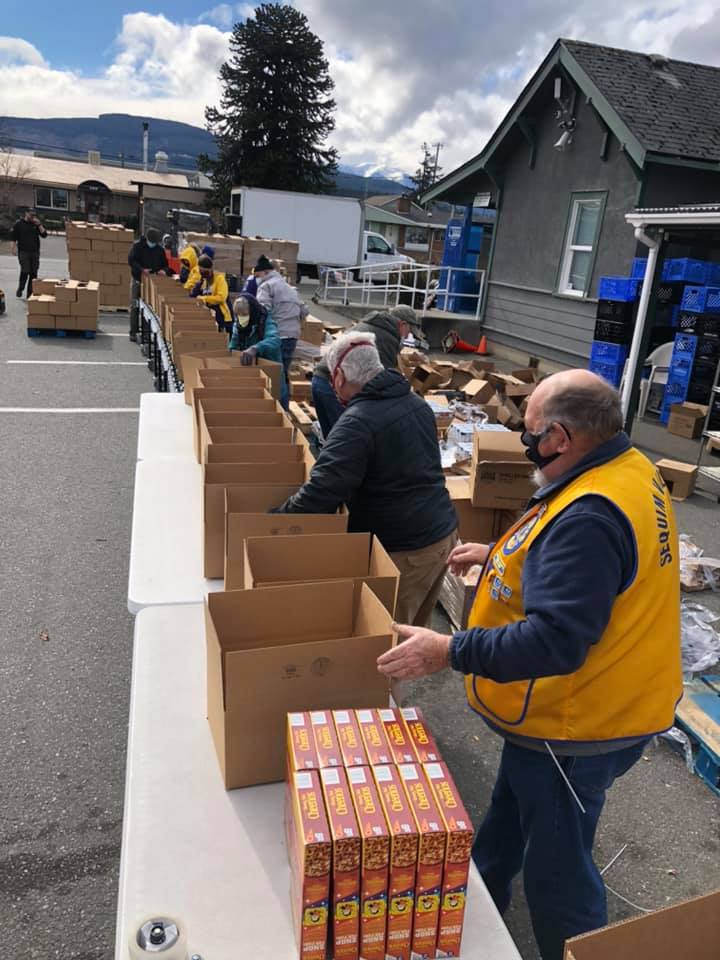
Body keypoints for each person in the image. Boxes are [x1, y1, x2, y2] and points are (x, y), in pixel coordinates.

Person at [377, 369, 682, 960]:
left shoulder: (590, 514)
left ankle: (572, 947)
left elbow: (556, 641)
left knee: (558, 872)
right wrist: (505, 556)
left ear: (562, 439)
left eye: (531, 433)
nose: (525, 442)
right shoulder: (628, 469)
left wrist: (447, 650)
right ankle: (473, 902)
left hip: (578, 723)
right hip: (602, 703)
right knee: (508, 816)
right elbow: (605, 572)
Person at [272, 331, 458, 625]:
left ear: (340, 378)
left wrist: (276, 522)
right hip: (441, 537)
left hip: (405, 551)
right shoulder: (416, 404)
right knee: (412, 639)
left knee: (384, 642)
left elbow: (323, 489)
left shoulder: (358, 422)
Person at [311, 304, 426, 441]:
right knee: (345, 441)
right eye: (409, 331)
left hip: (320, 380)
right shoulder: (386, 337)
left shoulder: (375, 325)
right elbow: (383, 380)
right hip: (333, 386)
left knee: (331, 441)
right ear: (402, 324)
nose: (407, 336)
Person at [255, 255, 308, 410]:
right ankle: (283, 409)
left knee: (274, 375)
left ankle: (276, 409)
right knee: (283, 373)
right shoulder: (289, 288)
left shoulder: (266, 286)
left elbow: (262, 311)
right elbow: (304, 311)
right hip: (292, 336)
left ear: (265, 272)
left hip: (276, 336)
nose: (256, 278)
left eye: (257, 275)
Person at [128, 227, 168, 341]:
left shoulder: (159, 250)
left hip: (151, 282)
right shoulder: (138, 246)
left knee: (148, 308)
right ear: (147, 239)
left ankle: (146, 334)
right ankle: (133, 331)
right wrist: (141, 270)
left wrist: (163, 271)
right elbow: (131, 260)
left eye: (155, 243)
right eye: (151, 242)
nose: (153, 244)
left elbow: (165, 264)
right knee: (135, 305)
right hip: (138, 279)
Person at [229, 292, 282, 365]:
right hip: (250, 365)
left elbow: (274, 339)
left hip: (268, 364)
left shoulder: (264, 320)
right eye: (238, 315)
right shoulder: (238, 325)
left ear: (252, 312)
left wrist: (256, 348)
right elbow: (233, 345)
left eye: (244, 314)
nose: (241, 317)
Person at [190, 254, 232, 332]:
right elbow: (193, 296)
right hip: (209, 316)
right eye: (201, 271)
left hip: (222, 318)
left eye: (204, 272)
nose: (203, 274)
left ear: (210, 269)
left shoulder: (219, 279)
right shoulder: (203, 281)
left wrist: (204, 298)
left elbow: (221, 298)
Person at [11, 208, 47, 298]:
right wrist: (13, 248)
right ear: (26, 214)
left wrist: (39, 224)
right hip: (23, 252)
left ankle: (30, 293)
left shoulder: (36, 224)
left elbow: (44, 235)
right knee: (25, 271)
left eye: (34, 215)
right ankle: (21, 288)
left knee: (34, 273)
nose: (33, 217)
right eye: (31, 215)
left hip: (35, 252)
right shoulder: (19, 224)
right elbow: (13, 238)